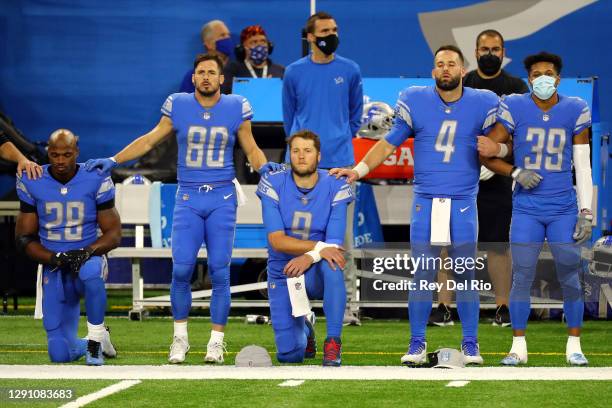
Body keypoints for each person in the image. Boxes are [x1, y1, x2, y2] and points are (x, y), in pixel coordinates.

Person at [85, 53, 280, 364]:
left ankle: (216, 342)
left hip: (222, 198)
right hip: (188, 196)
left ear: (220, 79)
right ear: (193, 78)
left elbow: (251, 147)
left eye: (211, 72)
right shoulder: (177, 104)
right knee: (181, 269)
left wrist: (266, 168)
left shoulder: (235, 106)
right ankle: (180, 338)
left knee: (219, 270)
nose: (205, 77)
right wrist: (114, 160)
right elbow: (149, 141)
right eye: (200, 72)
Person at [331, 45, 499, 365]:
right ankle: (417, 344)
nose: (445, 69)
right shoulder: (416, 99)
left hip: (463, 200)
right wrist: (358, 170)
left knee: (464, 274)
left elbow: (502, 139)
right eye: (440, 64)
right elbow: (388, 142)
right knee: (423, 274)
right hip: (426, 199)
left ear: (464, 70)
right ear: (433, 70)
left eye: (452, 64)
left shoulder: (484, 101)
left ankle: (471, 344)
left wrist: (499, 156)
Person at [479, 52, 592, 366]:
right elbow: (489, 152)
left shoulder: (575, 108)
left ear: (558, 78)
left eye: (549, 73)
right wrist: (515, 172)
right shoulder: (515, 106)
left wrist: (586, 211)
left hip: (563, 207)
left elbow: (582, 166)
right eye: (537, 73)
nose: (543, 78)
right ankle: (518, 345)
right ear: (529, 79)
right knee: (522, 276)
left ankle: (574, 344)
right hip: (527, 207)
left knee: (570, 274)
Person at [431, 29, 529, 327]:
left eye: (495, 49)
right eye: (484, 49)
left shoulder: (515, 86)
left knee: (498, 244)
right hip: (459, 177)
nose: (489, 54)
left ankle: (503, 307)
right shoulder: (464, 81)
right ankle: (444, 307)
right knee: (446, 243)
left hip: (498, 177)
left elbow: (520, 133)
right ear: (474, 53)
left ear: (503, 52)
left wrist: (498, 156)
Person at [282, 11, 363, 325]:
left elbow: (354, 116)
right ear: (311, 37)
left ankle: (347, 308)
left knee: (341, 239)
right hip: (303, 169)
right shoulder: (293, 73)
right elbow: (290, 119)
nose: (333, 34)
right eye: (326, 30)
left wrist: (340, 137)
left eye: (335, 28)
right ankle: (299, 306)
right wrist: (303, 154)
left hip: (340, 168)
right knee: (299, 237)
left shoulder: (350, 70)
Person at [15, 129, 120, 365]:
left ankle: (94, 341)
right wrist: (53, 258)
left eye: (67, 154)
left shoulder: (95, 176)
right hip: (53, 263)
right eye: (54, 155)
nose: (60, 161)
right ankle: (96, 341)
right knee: (59, 354)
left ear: (77, 152)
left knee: (91, 273)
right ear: (47, 154)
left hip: (88, 256)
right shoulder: (33, 179)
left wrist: (86, 252)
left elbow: (114, 234)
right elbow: (23, 238)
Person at [257, 130, 353, 366]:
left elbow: (333, 245)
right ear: (289, 154)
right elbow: (277, 241)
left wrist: (310, 256)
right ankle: (306, 330)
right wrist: (318, 248)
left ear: (319, 156)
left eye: (307, 151)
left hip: (316, 269)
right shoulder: (274, 181)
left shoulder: (336, 184)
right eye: (296, 151)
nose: (301, 156)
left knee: (333, 265)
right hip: (283, 269)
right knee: (290, 355)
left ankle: (333, 342)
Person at [221, 25, 285, 94]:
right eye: (254, 42)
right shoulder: (232, 70)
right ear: (243, 48)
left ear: (269, 46)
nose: (259, 45)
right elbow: (224, 95)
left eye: (263, 41)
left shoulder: (280, 71)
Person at [179, 20, 234, 93]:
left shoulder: (237, 72)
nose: (228, 39)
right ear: (209, 44)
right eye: (222, 35)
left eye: (228, 35)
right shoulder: (195, 76)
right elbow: (184, 103)